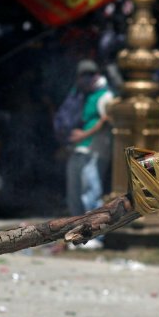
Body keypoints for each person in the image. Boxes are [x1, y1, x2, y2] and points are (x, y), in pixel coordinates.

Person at [64, 59, 113, 222]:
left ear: (96, 75)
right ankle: (77, 230)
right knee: (74, 192)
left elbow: (107, 118)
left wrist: (84, 135)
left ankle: (95, 233)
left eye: (89, 75)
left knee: (91, 192)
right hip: (79, 149)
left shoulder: (106, 95)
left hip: (95, 149)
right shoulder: (81, 94)